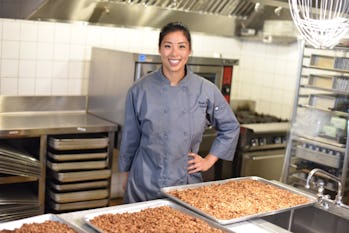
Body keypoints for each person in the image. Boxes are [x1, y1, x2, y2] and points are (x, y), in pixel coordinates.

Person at [118, 21, 240, 203]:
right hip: (143, 181)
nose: (174, 53)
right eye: (168, 46)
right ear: (160, 49)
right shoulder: (139, 90)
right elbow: (130, 138)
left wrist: (208, 161)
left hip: (185, 182)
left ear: (189, 51)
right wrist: (126, 174)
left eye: (181, 47)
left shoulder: (205, 89)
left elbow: (230, 127)